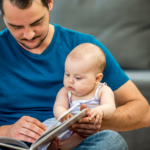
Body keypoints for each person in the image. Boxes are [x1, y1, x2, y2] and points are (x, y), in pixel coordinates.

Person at [0, 0, 149, 149]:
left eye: (36, 23)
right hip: (8, 146)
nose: (29, 35)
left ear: (50, 3)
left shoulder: (87, 50)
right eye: (16, 27)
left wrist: (91, 122)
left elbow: (144, 113)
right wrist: (7, 131)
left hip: (74, 145)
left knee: (111, 141)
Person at [41, 43, 116, 150]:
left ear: (97, 79)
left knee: (106, 138)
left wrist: (100, 110)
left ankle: (60, 147)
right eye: (67, 74)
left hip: (88, 130)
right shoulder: (65, 91)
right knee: (46, 131)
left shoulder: (102, 90)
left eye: (78, 78)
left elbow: (110, 107)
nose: (70, 80)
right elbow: (58, 106)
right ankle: (51, 145)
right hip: (67, 126)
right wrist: (63, 115)